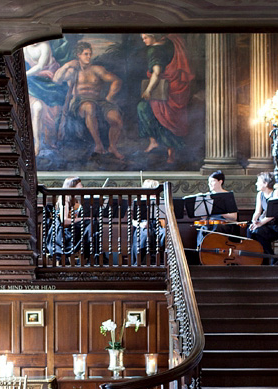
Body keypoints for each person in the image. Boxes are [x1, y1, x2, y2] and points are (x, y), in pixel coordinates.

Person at [53, 41, 125, 160]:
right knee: (89, 107)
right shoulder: (72, 71)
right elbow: (56, 80)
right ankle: (98, 144)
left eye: (90, 54)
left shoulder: (97, 69)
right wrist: (67, 65)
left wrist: (109, 97)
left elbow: (117, 81)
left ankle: (112, 147)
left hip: (100, 101)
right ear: (78, 55)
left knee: (116, 118)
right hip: (79, 102)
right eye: (85, 54)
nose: (89, 57)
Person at [137, 34, 194, 164]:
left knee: (153, 112)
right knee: (170, 118)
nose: (144, 40)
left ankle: (154, 142)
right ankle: (170, 153)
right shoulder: (170, 42)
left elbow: (156, 73)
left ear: (153, 36)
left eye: (145, 37)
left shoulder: (154, 50)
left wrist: (148, 90)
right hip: (177, 87)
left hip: (164, 90)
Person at [246, 172, 278, 260]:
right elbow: (257, 211)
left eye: (258, 181)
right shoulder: (260, 194)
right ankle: (257, 258)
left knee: (258, 232)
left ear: (265, 183)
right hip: (267, 224)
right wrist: (254, 221)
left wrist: (260, 223)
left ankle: (271, 257)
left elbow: (274, 214)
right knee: (250, 231)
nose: (256, 184)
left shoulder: (276, 193)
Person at [131, 179, 167, 265]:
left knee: (165, 233)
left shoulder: (161, 201)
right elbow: (133, 221)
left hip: (157, 225)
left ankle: (162, 259)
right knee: (146, 234)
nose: (155, 193)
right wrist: (141, 224)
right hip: (143, 226)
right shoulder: (139, 201)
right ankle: (140, 261)